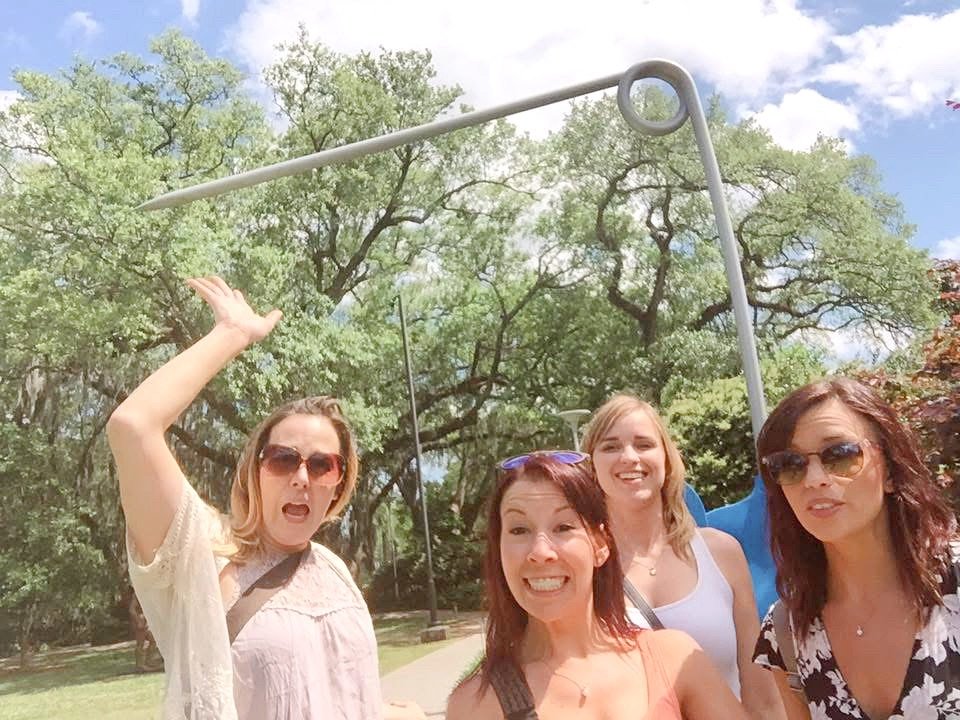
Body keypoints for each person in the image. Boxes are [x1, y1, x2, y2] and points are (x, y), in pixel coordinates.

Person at [106, 276, 425, 720]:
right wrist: (233, 333)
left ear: (338, 482)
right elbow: (132, 426)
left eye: (321, 465)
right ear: (255, 469)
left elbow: (339, 694)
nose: (301, 477)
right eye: (282, 459)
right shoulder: (203, 552)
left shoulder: (333, 570)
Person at [446, 450, 747, 720]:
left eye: (563, 527)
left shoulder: (672, 658)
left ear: (600, 545)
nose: (540, 552)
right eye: (519, 529)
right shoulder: (475, 705)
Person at [751, 377, 960, 720]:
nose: (814, 478)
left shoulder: (955, 582)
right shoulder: (787, 630)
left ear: (891, 472)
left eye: (840, 454)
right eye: (790, 465)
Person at [582, 394, 784, 719]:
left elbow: (763, 696)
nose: (629, 457)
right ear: (591, 465)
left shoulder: (722, 553)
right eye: (610, 446)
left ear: (666, 458)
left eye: (644, 444)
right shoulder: (581, 568)